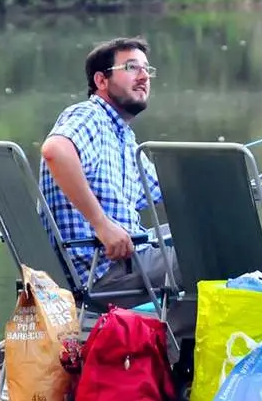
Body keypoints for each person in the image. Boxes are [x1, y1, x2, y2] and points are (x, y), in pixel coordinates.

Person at [39, 37, 190, 340]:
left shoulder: (121, 134)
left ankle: (161, 352)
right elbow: (55, 150)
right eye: (131, 68)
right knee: (214, 258)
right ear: (101, 80)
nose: (144, 77)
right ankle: (177, 358)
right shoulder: (88, 116)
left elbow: (167, 189)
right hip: (101, 269)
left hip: (123, 260)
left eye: (147, 70)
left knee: (202, 237)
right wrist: (102, 224)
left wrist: (238, 182)